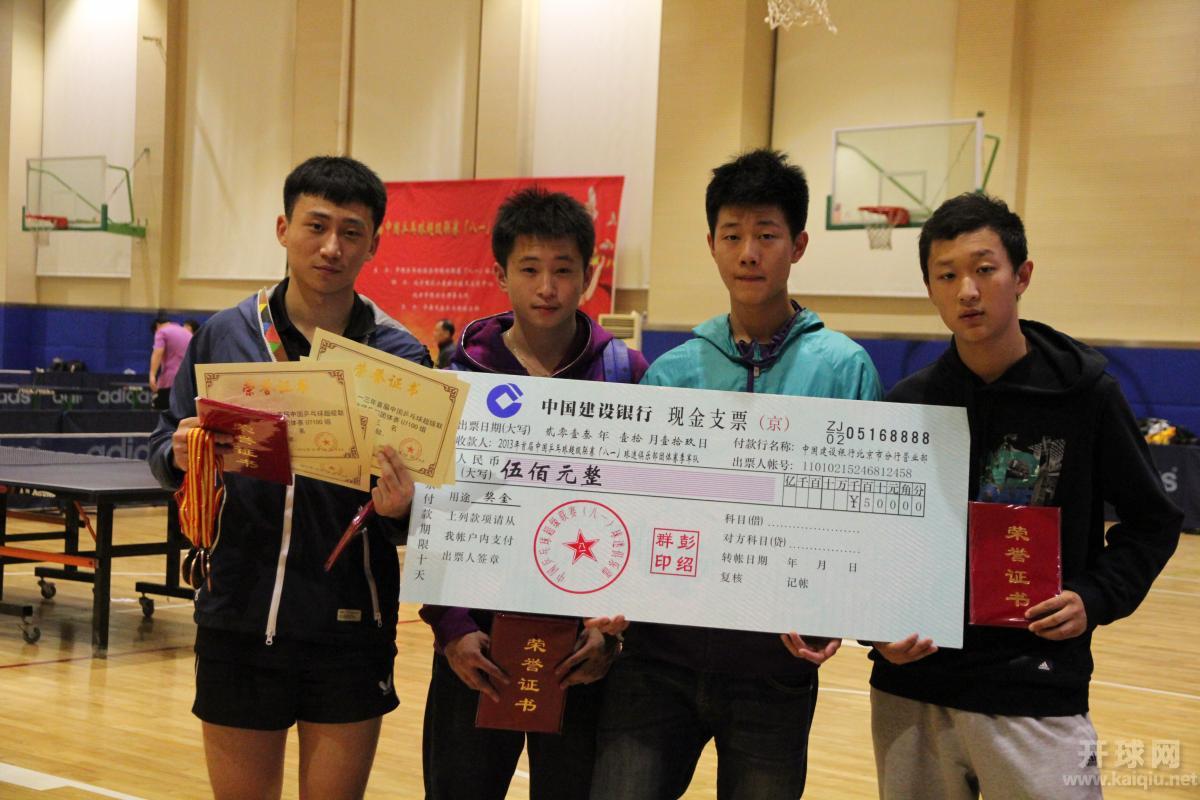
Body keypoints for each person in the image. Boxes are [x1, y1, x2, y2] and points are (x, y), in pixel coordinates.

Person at [590, 149, 883, 800]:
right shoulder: (673, 371)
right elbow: (637, 505)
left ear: (798, 245)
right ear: (712, 245)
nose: (749, 253)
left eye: (767, 235)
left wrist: (839, 610)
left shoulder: (843, 368)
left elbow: (864, 519)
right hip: (656, 662)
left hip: (773, 670)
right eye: (732, 236)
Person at [869, 193, 1182, 799]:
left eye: (984, 269)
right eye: (947, 275)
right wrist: (875, 629)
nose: (967, 291)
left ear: (1022, 276)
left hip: (1036, 691)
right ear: (929, 289)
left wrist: (1094, 597)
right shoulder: (908, 405)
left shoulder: (1086, 395)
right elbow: (876, 542)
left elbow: (1153, 520)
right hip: (912, 693)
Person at [148, 156, 431, 800]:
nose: (332, 247)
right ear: (283, 228)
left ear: (374, 244)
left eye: (351, 232)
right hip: (237, 613)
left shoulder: (399, 354)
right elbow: (163, 444)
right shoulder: (224, 335)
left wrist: (404, 509)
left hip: (351, 622)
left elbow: (422, 502)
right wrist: (180, 454)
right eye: (316, 226)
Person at [420, 187, 648, 800]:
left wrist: (611, 632)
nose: (547, 287)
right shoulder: (457, 378)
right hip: (474, 647)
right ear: (501, 275)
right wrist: (452, 627)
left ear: (588, 275)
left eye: (563, 269)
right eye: (529, 269)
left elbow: (645, 514)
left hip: (583, 653)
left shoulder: (626, 375)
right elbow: (436, 516)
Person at [149, 315, 193, 410]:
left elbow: (158, 353)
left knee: (165, 412)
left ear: (157, 325)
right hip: (187, 381)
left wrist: (152, 375)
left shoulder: (161, 331)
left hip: (169, 381)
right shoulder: (187, 333)